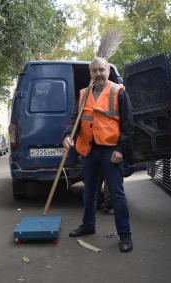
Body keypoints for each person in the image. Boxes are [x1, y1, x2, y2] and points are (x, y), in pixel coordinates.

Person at [63, 57, 134, 253]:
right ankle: (88, 225)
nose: (98, 74)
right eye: (94, 71)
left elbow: (128, 125)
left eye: (101, 70)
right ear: (90, 74)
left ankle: (125, 235)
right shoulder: (84, 94)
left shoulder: (118, 91)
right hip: (88, 150)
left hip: (111, 150)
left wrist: (121, 149)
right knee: (89, 192)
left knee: (117, 194)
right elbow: (74, 119)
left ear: (108, 71)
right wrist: (68, 136)